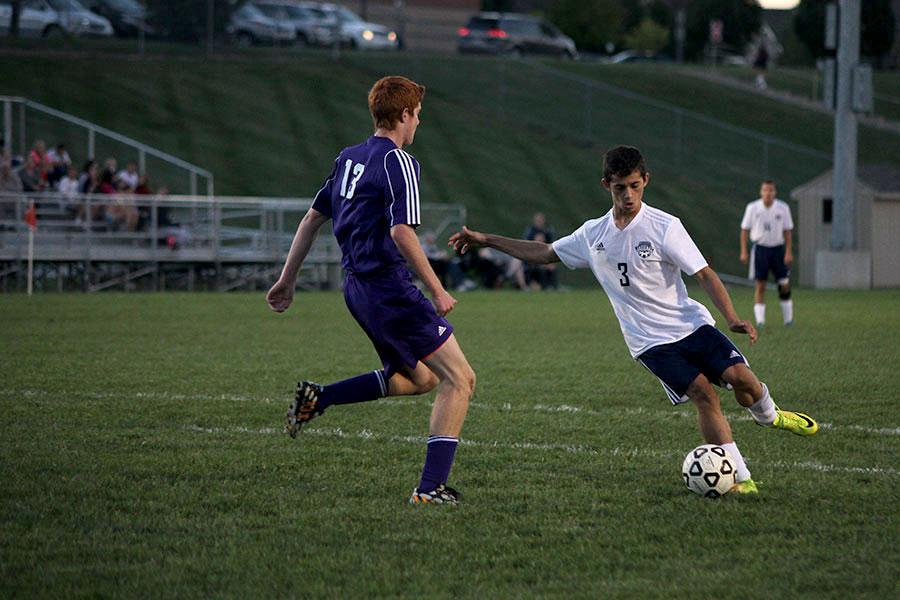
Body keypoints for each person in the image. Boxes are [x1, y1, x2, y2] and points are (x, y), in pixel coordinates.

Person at [450, 145, 818, 495]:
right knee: (704, 394)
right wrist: (487, 239)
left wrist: (733, 317)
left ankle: (769, 416)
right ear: (606, 185)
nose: (628, 195)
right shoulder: (594, 234)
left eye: (635, 186)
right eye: (620, 187)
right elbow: (545, 252)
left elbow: (704, 274)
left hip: (691, 325)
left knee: (744, 381)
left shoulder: (665, 226)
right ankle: (742, 476)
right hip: (649, 342)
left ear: (646, 181)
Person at [266, 76, 476, 505]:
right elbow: (401, 231)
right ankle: (429, 489)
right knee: (460, 379)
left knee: (419, 378)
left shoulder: (349, 158)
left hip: (357, 289)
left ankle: (319, 399)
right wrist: (437, 289)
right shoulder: (400, 162)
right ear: (403, 115)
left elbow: (310, 220)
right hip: (388, 287)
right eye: (417, 115)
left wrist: (287, 280)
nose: (418, 123)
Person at [740, 179, 794, 328]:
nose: (768, 193)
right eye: (765, 190)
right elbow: (744, 230)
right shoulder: (752, 208)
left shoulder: (783, 208)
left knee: (784, 284)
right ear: (761, 191)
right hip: (760, 250)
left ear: (775, 192)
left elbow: (788, 230)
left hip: (778, 250)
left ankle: (789, 320)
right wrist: (744, 251)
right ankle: (760, 322)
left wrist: (788, 252)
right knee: (760, 285)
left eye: (771, 190)